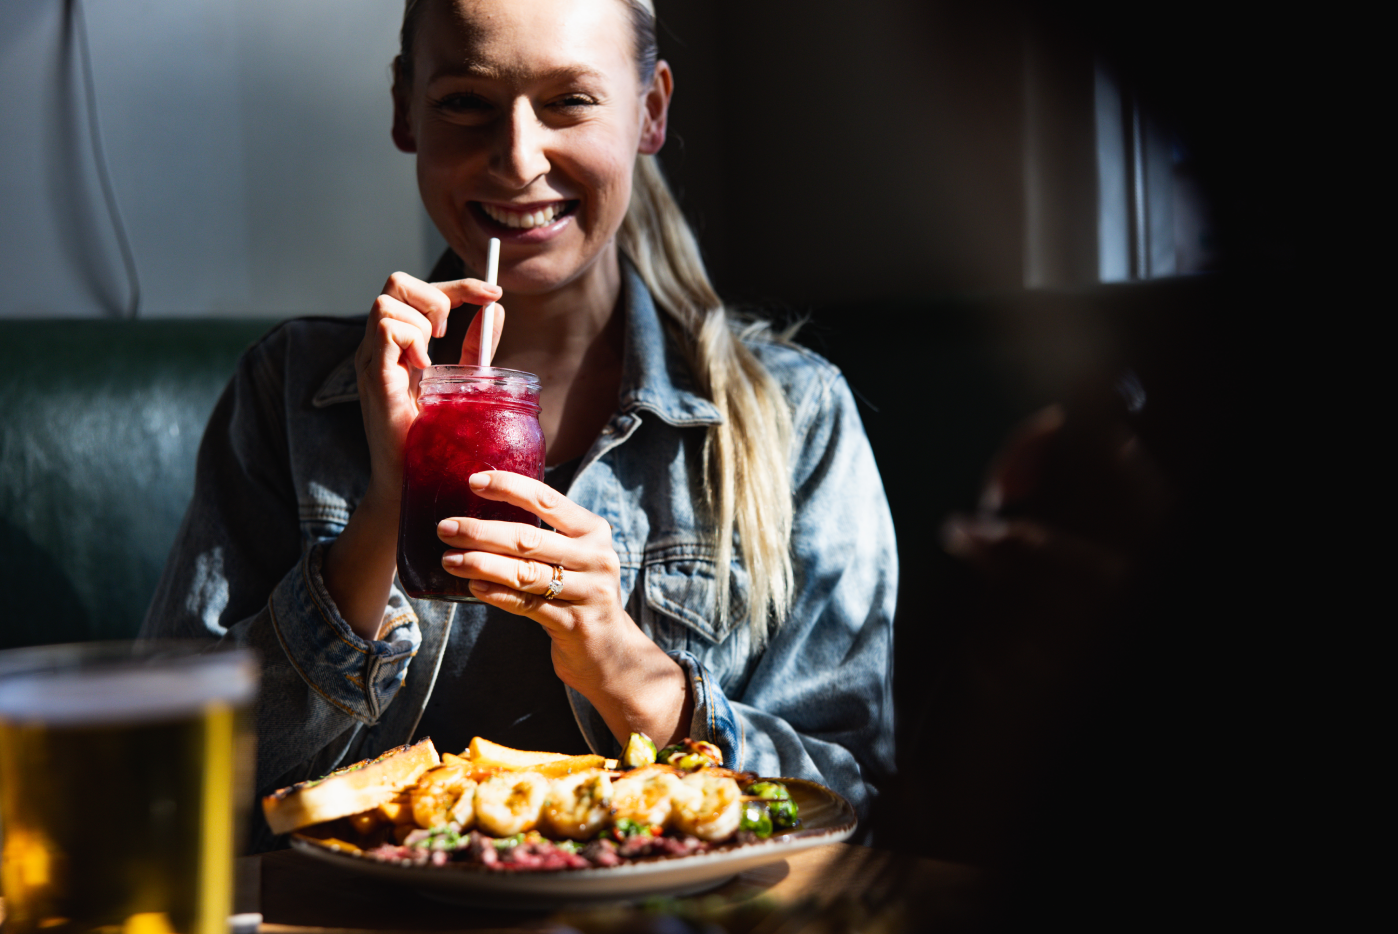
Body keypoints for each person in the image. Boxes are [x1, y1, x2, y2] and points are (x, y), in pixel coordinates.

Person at [141, 0, 895, 849]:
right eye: (465, 102)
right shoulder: (286, 394)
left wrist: (628, 670)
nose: (517, 158)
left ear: (650, 111)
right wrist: (384, 510)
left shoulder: (796, 417)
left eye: (570, 102)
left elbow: (850, 802)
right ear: (405, 110)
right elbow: (165, 779)